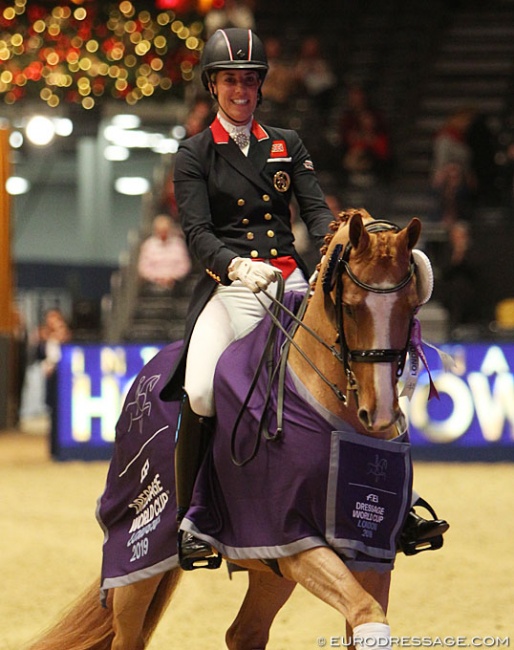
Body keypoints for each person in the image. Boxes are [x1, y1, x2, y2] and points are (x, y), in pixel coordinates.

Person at [161, 27, 447, 570]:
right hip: (233, 290)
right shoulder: (194, 152)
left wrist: (348, 245)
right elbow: (197, 231)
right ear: (213, 86)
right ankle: (192, 519)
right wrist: (236, 265)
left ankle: (401, 506)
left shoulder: (286, 143)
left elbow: (317, 213)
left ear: (260, 86)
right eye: (230, 81)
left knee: (372, 371)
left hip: (292, 286)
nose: (240, 90)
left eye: (249, 81)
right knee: (200, 391)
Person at [137, 214, 192, 294]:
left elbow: (185, 265)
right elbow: (143, 267)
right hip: (153, 284)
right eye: (160, 231)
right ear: (156, 230)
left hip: (175, 283)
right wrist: (158, 278)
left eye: (165, 230)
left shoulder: (178, 244)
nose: (163, 233)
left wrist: (171, 277)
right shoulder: (148, 245)